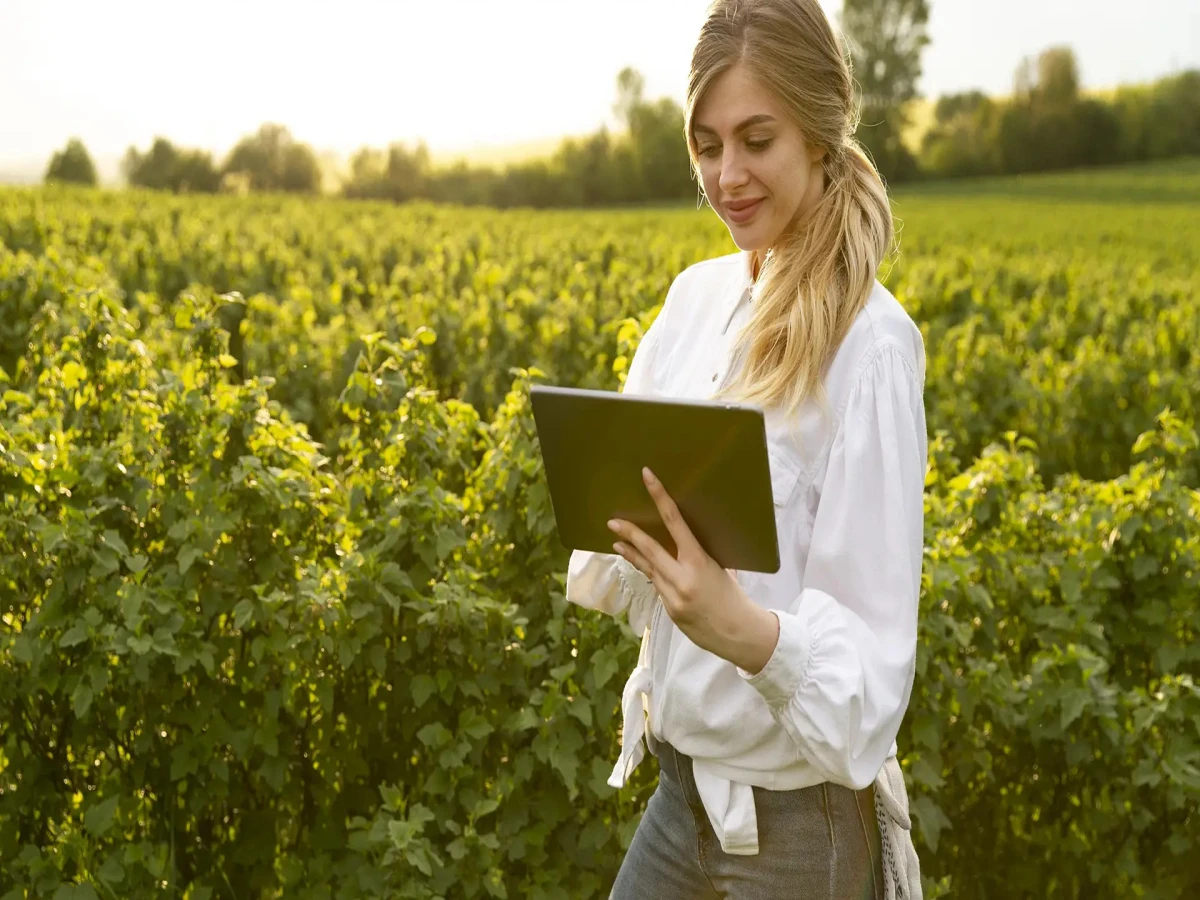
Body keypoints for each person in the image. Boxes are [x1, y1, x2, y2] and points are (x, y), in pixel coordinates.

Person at [564, 0, 928, 897]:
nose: (727, 176)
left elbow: (869, 690)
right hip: (680, 797)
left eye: (756, 140)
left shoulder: (872, 347)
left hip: (801, 834)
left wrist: (740, 628)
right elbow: (621, 540)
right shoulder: (693, 301)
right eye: (707, 145)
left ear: (820, 134)